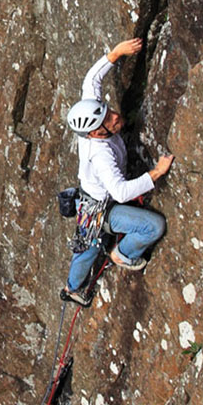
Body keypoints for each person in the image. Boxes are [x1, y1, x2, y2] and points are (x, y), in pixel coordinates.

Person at [61, 38, 174, 306]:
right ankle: (122, 255)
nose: (114, 117)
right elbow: (120, 191)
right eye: (107, 121)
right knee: (152, 227)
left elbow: (91, 81)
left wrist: (115, 54)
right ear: (95, 133)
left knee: (88, 245)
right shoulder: (99, 155)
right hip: (102, 207)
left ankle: (74, 285)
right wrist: (155, 174)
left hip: (93, 200)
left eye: (109, 112)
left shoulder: (92, 115)